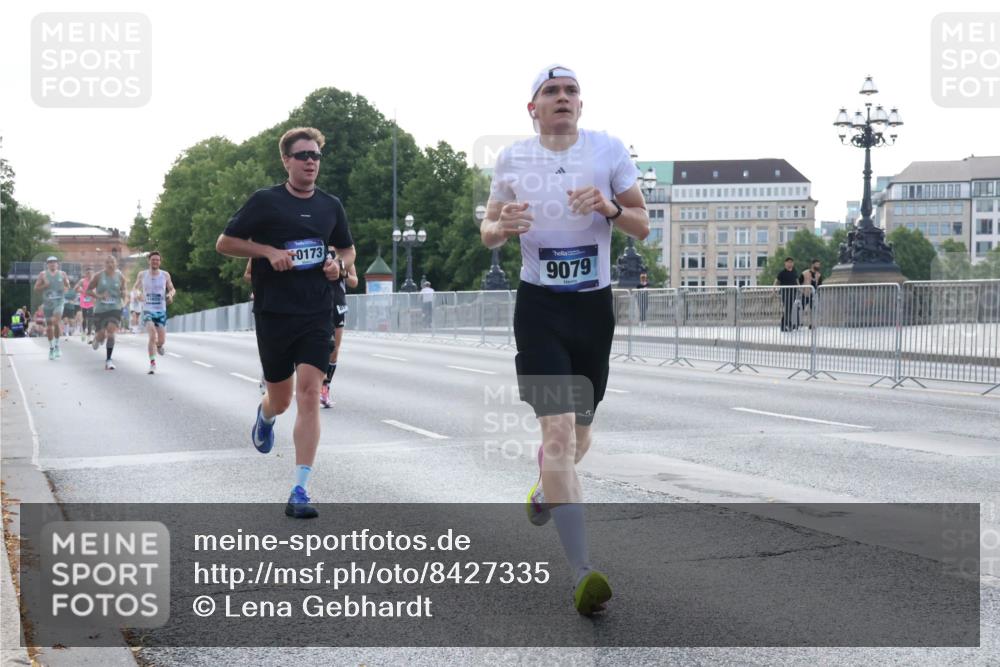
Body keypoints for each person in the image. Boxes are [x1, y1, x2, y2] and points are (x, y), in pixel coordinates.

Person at [481, 64, 649, 616]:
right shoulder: (511, 160)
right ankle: (582, 572)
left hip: (592, 310)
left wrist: (608, 208)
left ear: (582, 104)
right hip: (540, 310)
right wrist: (503, 226)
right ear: (532, 108)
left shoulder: (607, 150)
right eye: (550, 92)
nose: (562, 98)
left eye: (570, 91)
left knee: (578, 442)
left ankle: (544, 490)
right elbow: (486, 233)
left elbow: (642, 224)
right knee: (556, 437)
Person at [217, 127, 355, 519]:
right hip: (275, 314)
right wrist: (266, 252)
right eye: (303, 155)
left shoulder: (331, 206)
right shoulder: (265, 202)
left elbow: (347, 248)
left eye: (315, 155)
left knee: (310, 393)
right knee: (281, 398)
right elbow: (225, 243)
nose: (311, 162)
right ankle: (265, 415)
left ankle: (300, 488)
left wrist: (338, 266)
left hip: (317, 312)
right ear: (286, 160)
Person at [321, 251, 358, 408]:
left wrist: (343, 274)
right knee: (321, 346)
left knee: (334, 350)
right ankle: (320, 387)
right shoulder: (318, 248)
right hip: (319, 302)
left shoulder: (344, 253)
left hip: (338, 303)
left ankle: (326, 388)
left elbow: (354, 281)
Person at [133, 251, 177, 374]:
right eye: (153, 259)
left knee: (161, 340)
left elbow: (172, 288)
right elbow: (135, 288)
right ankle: (152, 363)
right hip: (147, 309)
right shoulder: (142, 275)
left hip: (161, 310)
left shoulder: (165, 275)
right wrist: (138, 294)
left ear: (160, 262)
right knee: (152, 335)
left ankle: (159, 346)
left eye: (157, 260)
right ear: (149, 261)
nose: (155, 262)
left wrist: (170, 295)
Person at [87, 255, 127, 370]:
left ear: (116, 264)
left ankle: (109, 360)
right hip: (100, 309)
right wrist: (99, 296)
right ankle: (97, 338)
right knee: (101, 335)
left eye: (112, 262)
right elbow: (88, 290)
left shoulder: (120, 276)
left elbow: (124, 288)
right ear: (104, 264)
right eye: (108, 262)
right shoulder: (98, 276)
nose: (110, 264)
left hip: (115, 308)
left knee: (111, 332)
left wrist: (124, 294)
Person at [33, 256, 71, 360]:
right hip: (48, 303)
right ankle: (52, 348)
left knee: (56, 321)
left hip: (59, 302)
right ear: (47, 264)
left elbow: (68, 286)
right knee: (49, 326)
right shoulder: (43, 275)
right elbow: (36, 288)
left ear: (57, 264)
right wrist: (45, 285)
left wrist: (65, 288)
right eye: (50, 262)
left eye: (54, 262)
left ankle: (57, 345)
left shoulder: (62, 274)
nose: (52, 264)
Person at [774, 257, 799, 332]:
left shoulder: (794, 271)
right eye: (788, 262)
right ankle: (784, 325)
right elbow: (776, 281)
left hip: (793, 292)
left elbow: (797, 280)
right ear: (785, 263)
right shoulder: (782, 272)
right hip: (785, 293)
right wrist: (773, 290)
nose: (790, 264)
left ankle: (789, 323)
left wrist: (800, 288)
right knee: (787, 309)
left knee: (790, 309)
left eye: (791, 262)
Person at [800, 258, 823, 329]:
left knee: (813, 310)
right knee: (801, 309)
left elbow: (819, 285)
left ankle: (812, 324)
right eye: (817, 264)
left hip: (814, 295)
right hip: (804, 294)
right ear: (812, 265)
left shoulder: (819, 275)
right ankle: (799, 323)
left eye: (819, 265)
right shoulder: (804, 273)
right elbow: (799, 283)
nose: (818, 266)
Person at [76, 269, 97, 343]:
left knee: (90, 318)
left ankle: (89, 336)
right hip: (84, 301)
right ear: (85, 274)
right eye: (88, 273)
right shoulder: (82, 281)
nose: (89, 275)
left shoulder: (94, 281)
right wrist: (82, 291)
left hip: (91, 302)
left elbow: (97, 290)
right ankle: (83, 331)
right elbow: (76, 288)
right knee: (84, 318)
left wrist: (95, 296)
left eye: (91, 273)